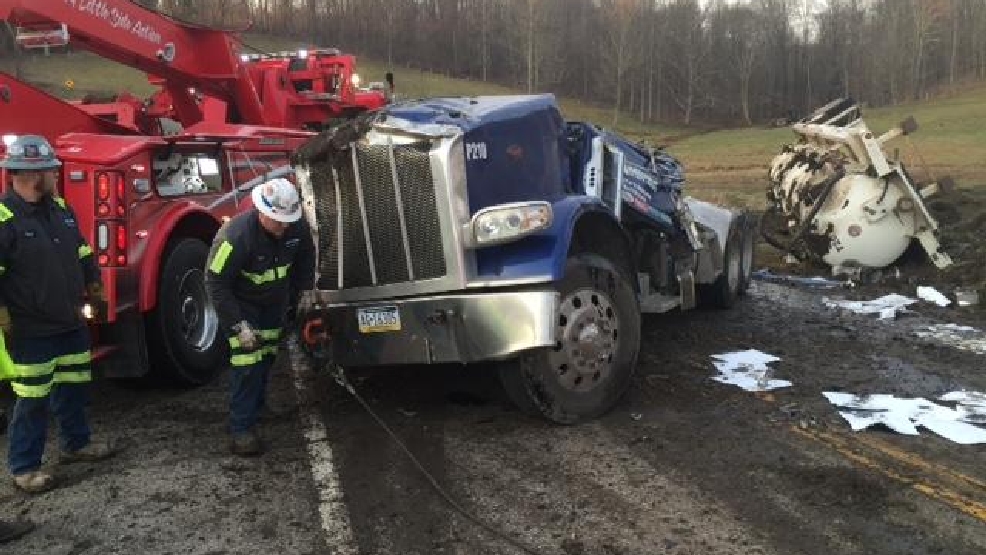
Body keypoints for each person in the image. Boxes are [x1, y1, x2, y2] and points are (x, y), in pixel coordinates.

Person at [0, 135, 114, 493]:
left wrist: (94, 286)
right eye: (52, 170)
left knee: (75, 388)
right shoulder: (4, 218)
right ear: (33, 174)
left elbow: (81, 251)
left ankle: (75, 445)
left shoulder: (61, 209)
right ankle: (24, 468)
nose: (56, 174)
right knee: (32, 400)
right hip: (32, 330)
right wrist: (3, 316)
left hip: (70, 321)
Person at [205, 177, 315, 456]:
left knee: (266, 356)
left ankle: (258, 406)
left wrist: (305, 291)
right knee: (246, 363)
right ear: (263, 213)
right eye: (279, 220)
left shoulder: (295, 227)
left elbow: (305, 256)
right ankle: (241, 429)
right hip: (241, 306)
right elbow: (216, 283)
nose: (284, 226)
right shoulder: (234, 237)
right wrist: (238, 325)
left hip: (272, 303)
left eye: (288, 220)